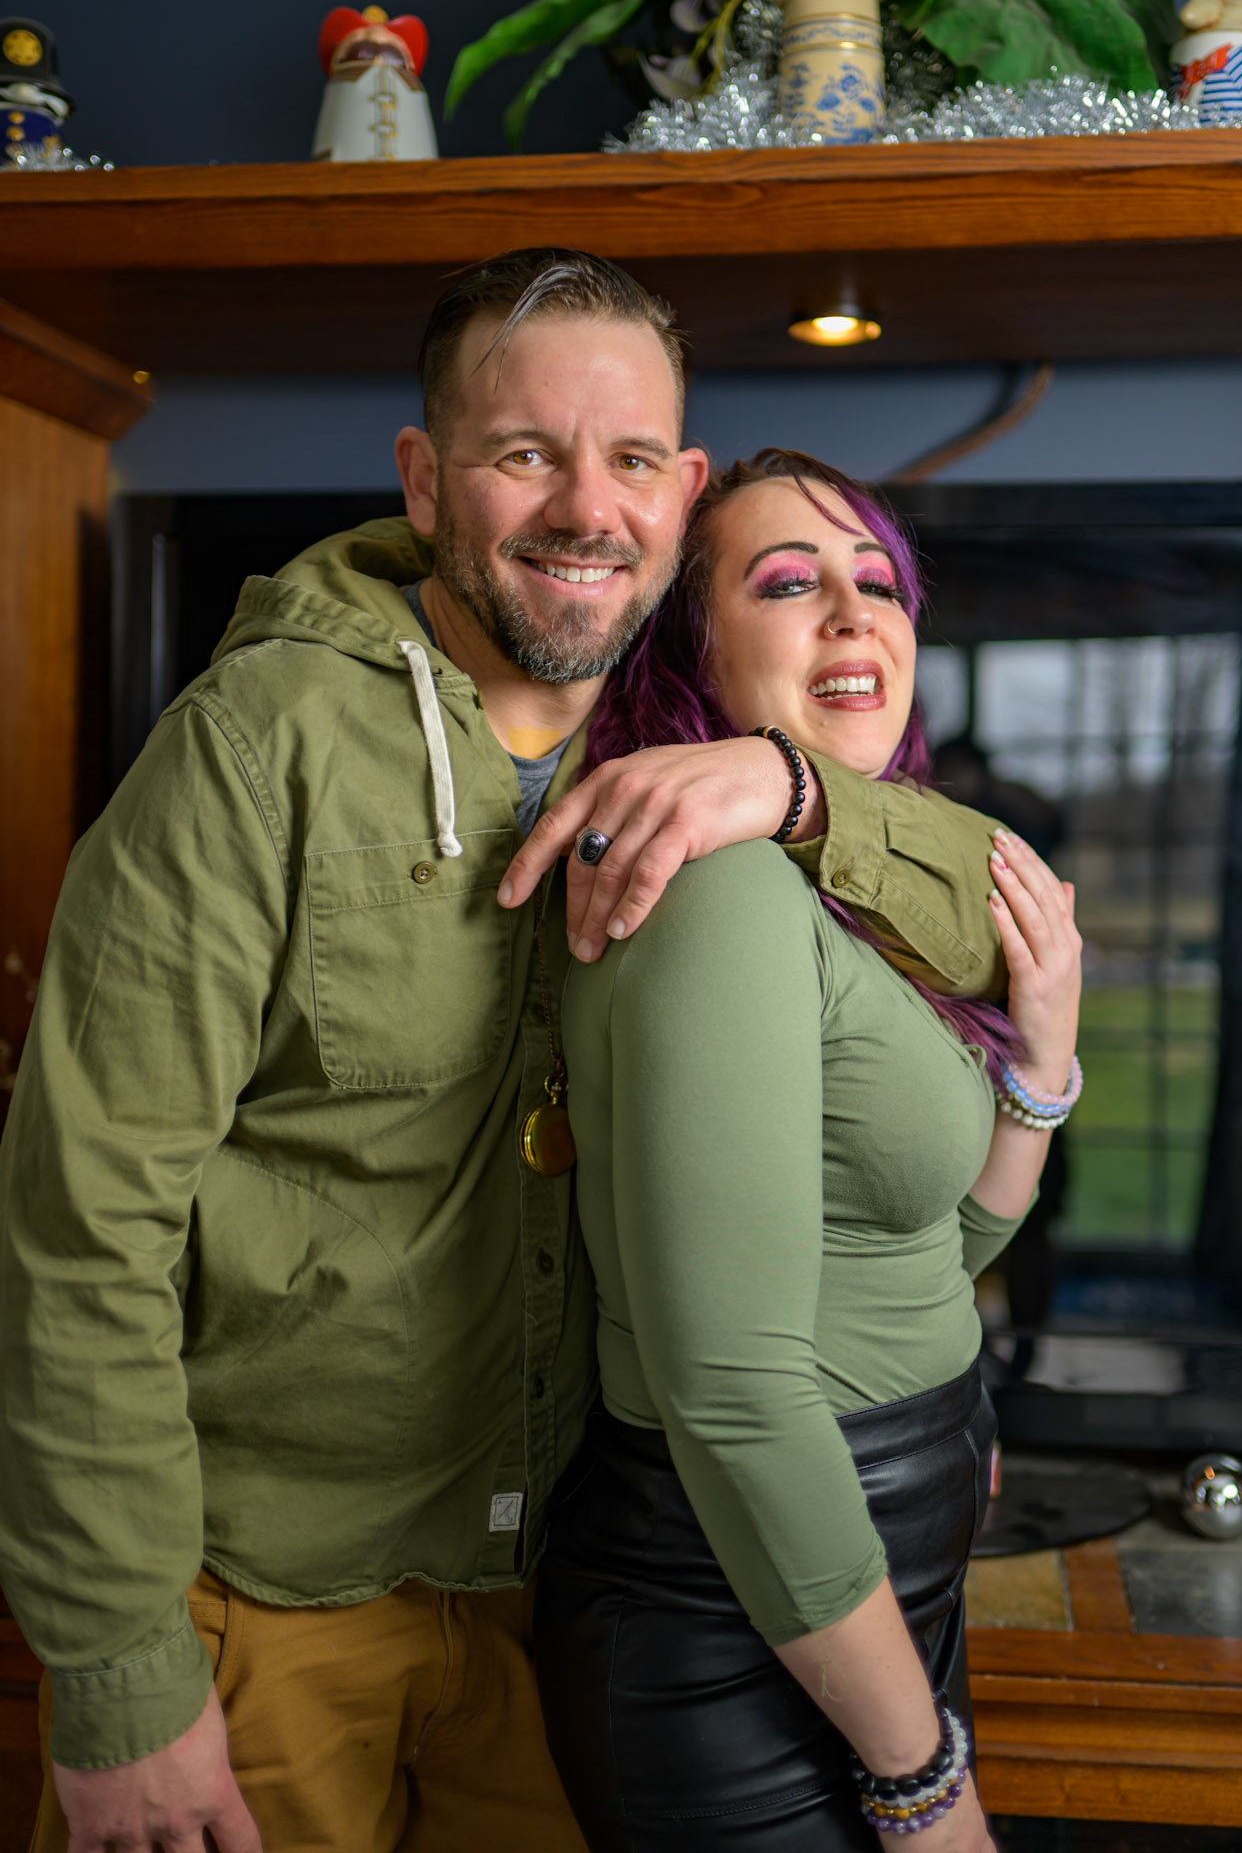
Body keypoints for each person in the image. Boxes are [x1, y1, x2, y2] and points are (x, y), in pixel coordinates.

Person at [0, 254, 1011, 1853]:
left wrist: (794, 789)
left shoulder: (680, 734)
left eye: (631, 461)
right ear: (425, 478)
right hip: (262, 1595)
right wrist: (120, 1672)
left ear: (682, 495)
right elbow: (80, 1227)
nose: (585, 510)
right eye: (525, 453)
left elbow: (997, 911)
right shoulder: (254, 749)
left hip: (550, 1595)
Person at [536, 450, 1083, 1850]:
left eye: (877, 583)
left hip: (863, 1608)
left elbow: (925, 1248)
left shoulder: (838, 883)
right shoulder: (719, 892)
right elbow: (730, 1393)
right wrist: (923, 1784)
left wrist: (1038, 1067)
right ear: (693, 645)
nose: (852, 614)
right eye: (788, 584)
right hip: (737, 1625)